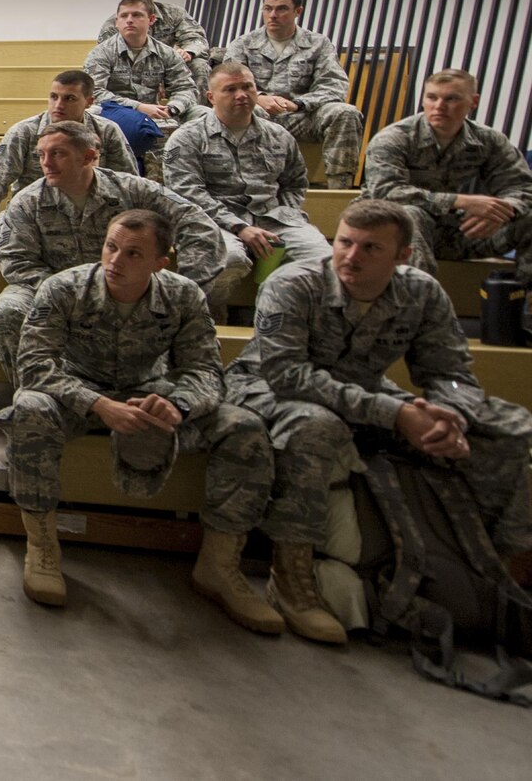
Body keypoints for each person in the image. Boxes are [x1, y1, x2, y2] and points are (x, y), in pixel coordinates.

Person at [225, 198, 532, 642]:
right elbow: (288, 374)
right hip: (268, 388)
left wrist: (451, 416)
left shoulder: (421, 292)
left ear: (402, 255)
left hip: (363, 389)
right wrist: (397, 414)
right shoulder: (294, 283)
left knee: (510, 427)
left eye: (371, 248)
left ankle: (497, 568)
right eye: (345, 243)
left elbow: (452, 374)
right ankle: (291, 579)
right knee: (316, 426)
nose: (351, 257)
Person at [0, 211, 282, 632]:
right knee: (30, 409)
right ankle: (42, 546)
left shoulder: (183, 296)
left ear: (159, 263)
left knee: (244, 427)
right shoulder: (64, 288)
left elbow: (205, 371)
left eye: (133, 254)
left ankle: (220, 565)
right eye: (111, 247)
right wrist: (98, 404)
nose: (115, 260)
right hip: (79, 394)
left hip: (150, 394)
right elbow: (35, 365)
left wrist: (179, 406)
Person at [0, 123, 225, 372]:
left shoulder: (131, 190)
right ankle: (38, 389)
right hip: (55, 290)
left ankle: (162, 390)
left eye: (58, 153)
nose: (46, 163)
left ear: (88, 157)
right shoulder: (28, 202)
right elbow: (17, 261)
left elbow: (199, 226)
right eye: (41, 154)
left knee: (184, 315)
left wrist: (187, 285)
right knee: (7, 313)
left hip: (130, 287)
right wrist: (75, 293)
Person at [363, 68, 532, 313]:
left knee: (529, 218)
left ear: (473, 102)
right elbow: (386, 192)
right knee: (409, 215)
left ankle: (526, 316)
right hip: (389, 234)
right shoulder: (395, 138)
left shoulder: (488, 141)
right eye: (432, 97)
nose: (439, 106)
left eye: (451, 98)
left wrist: (503, 211)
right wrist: (461, 201)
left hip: (453, 233)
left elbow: (521, 187)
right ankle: (417, 315)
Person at [164, 62, 331, 307]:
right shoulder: (187, 137)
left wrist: (285, 214)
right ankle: (209, 318)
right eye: (230, 89)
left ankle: (286, 314)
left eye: (247, 87)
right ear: (211, 97)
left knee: (323, 259)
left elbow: (295, 183)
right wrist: (240, 226)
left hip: (273, 219)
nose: (241, 95)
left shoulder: (279, 135)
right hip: (213, 222)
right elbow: (186, 193)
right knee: (227, 259)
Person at [0, 71, 138, 256]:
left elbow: (126, 181)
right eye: (54, 97)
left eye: (69, 98)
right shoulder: (25, 132)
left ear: (89, 102)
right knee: (5, 232)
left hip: (92, 214)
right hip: (34, 213)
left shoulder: (107, 131)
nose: (58, 105)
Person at [221, 0, 366, 187]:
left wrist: (298, 104)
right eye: (267, 8)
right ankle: (251, 186)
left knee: (346, 112)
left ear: (298, 11)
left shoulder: (317, 43)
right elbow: (228, 83)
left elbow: (334, 85)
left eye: (281, 9)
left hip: (303, 116)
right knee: (246, 113)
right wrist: (258, 98)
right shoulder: (244, 43)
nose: (272, 15)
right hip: (259, 113)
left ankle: (339, 188)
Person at [84, 0, 200, 169]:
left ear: (151, 20)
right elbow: (95, 92)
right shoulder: (101, 53)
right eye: (124, 16)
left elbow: (185, 87)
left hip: (156, 112)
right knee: (128, 123)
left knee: (203, 114)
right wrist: (137, 107)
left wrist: (173, 107)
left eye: (137, 15)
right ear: (117, 22)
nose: (129, 20)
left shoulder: (166, 53)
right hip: (114, 111)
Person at [96, 0, 211, 89]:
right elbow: (104, 58)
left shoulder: (174, 13)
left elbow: (196, 38)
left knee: (199, 65)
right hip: (131, 72)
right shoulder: (115, 24)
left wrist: (188, 52)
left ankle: (194, 101)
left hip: (169, 66)